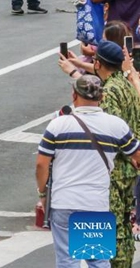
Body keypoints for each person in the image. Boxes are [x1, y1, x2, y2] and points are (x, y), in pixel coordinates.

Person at [36, 75, 140, 268]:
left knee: (67, 262)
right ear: (101, 97)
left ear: (74, 95)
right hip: (95, 203)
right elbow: (137, 155)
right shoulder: (116, 126)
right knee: (98, 261)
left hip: (64, 201)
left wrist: (43, 193)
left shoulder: (58, 125)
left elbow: (42, 164)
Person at [59, 41, 140, 267]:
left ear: (98, 63)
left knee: (109, 225)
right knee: (123, 222)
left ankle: (114, 264)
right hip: (129, 164)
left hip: (113, 169)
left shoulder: (110, 91)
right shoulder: (126, 85)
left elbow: (109, 130)